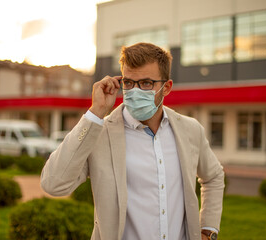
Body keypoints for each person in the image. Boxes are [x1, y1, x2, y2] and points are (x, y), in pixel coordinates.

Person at [41, 42, 225, 240]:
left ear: (166, 87)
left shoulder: (190, 129)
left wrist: (208, 229)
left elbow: (213, 176)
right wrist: (95, 113)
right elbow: (53, 184)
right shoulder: (100, 133)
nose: (135, 91)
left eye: (146, 83)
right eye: (128, 83)